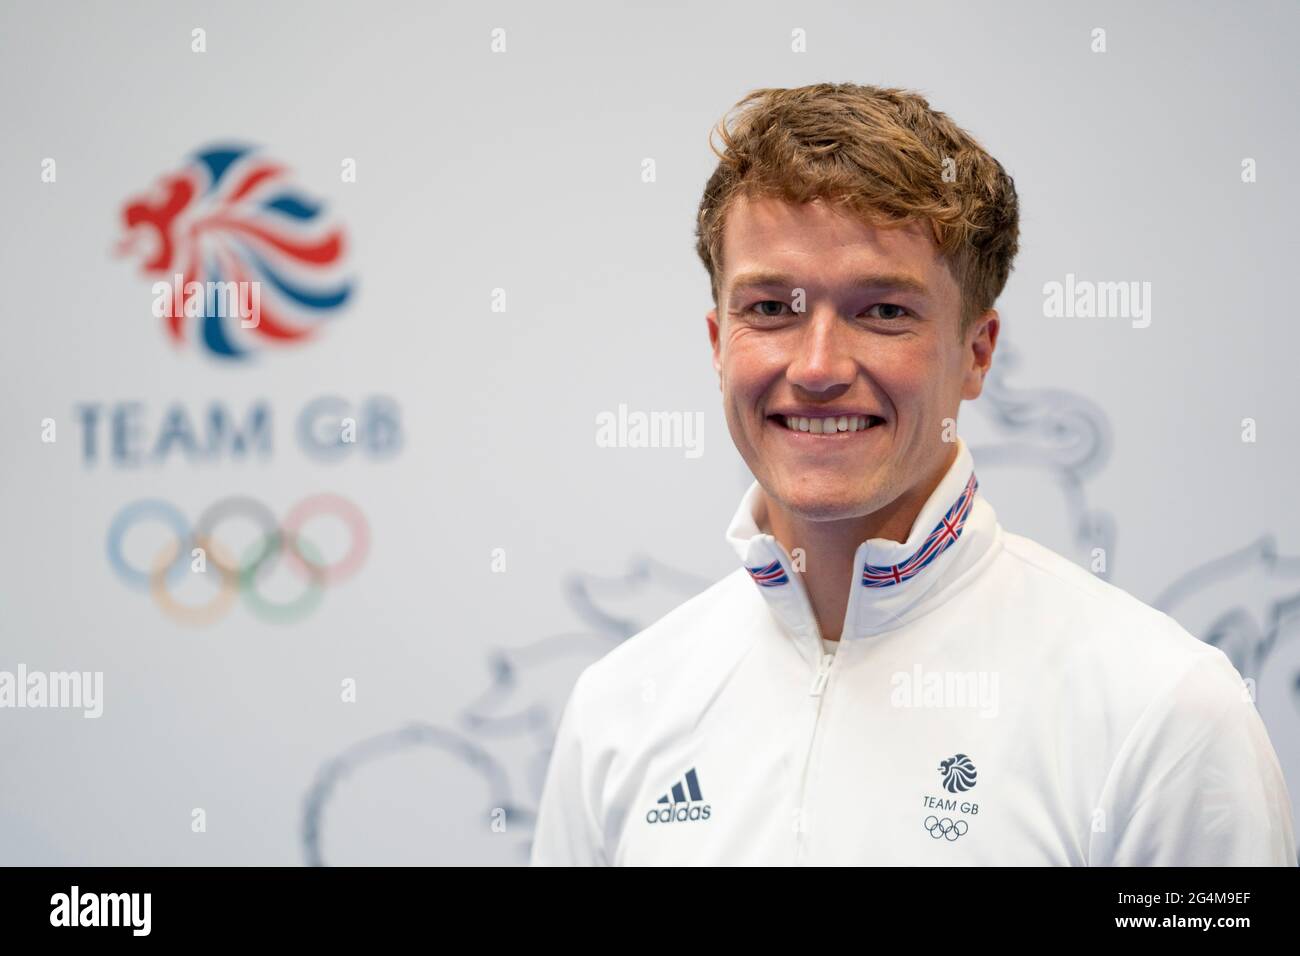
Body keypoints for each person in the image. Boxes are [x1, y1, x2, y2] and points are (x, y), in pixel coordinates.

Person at [529, 83, 1296, 865]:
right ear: (717, 339)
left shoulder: (1163, 713)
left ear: (977, 350)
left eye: (884, 311)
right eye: (770, 308)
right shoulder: (620, 709)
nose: (819, 367)